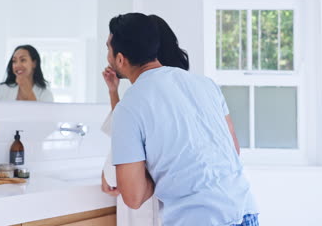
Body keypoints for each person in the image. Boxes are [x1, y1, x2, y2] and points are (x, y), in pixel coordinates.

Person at [106, 13, 258, 226]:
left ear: (120, 59)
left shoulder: (129, 107)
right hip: (245, 211)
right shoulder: (205, 84)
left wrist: (159, 173)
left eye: (108, 50)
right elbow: (233, 148)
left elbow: (133, 196)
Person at [101, 14, 194, 226]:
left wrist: (154, 176)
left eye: (108, 48)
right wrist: (114, 92)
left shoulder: (138, 101)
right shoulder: (199, 87)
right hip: (239, 209)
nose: (107, 55)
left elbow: (123, 187)